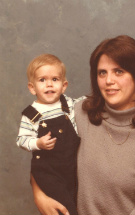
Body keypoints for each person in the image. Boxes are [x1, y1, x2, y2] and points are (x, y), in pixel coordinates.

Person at [30, 35, 135, 215]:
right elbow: (44, 161)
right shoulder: (78, 113)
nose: (108, 81)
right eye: (102, 73)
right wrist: (40, 196)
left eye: (119, 72)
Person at [16, 54, 85, 215]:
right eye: (42, 80)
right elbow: (21, 140)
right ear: (32, 88)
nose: (49, 85)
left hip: (71, 167)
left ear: (64, 85)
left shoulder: (67, 104)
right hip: (48, 171)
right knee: (64, 209)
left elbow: (83, 102)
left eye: (55, 79)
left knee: (76, 201)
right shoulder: (31, 114)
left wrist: (95, 98)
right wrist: (38, 143)